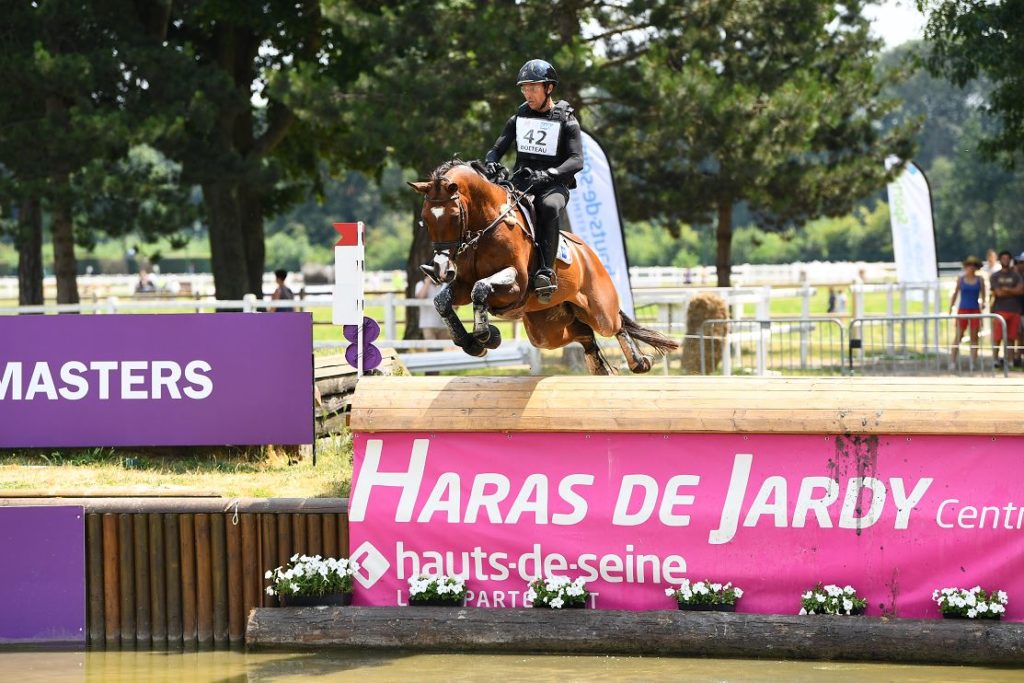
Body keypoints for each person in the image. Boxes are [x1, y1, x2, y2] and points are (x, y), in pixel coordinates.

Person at [481, 59, 584, 304]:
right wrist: (492, 162)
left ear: (549, 88)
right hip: (522, 183)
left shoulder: (566, 119)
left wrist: (550, 174)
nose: (527, 94)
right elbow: (496, 149)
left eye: (533, 88)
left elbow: (576, 160)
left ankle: (546, 271)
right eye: (524, 89)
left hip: (553, 186)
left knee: (547, 207)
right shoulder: (519, 117)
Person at [948, 256, 987, 369]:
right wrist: (951, 306)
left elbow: (983, 294)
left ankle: (973, 362)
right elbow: (955, 293)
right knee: (959, 335)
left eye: (974, 265)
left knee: (974, 336)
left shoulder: (980, 279)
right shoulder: (961, 279)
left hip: (975, 309)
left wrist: (983, 303)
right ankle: (953, 361)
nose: (971, 267)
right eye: (969, 265)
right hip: (963, 309)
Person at [988, 250, 1023, 369]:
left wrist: (1005, 290)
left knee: (1011, 337)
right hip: (999, 310)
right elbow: (998, 293)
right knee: (997, 337)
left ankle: (1010, 360)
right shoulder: (995, 276)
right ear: (1000, 260)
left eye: (1007, 259)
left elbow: (1020, 291)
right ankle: (995, 359)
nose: (1005, 261)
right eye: (1003, 259)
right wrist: (1012, 291)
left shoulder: (1016, 275)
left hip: (1014, 310)